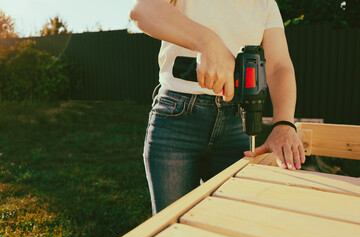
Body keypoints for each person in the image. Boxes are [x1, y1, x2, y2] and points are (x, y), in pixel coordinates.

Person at [130, 0, 305, 215]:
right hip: (176, 118)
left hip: (235, 121)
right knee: (172, 226)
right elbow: (143, 10)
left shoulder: (265, 3)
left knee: (232, 222)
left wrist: (284, 124)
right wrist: (208, 41)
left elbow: (279, 66)